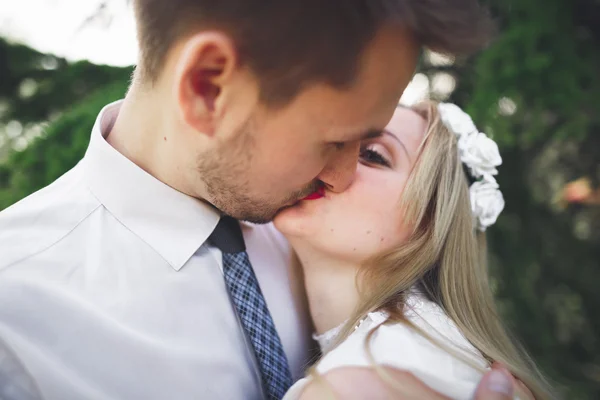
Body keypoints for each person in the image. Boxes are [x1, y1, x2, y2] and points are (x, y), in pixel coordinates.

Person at [0, 0, 524, 399]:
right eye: (335, 140)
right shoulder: (17, 319)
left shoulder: (329, 232)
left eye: (370, 148)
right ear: (208, 88)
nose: (340, 177)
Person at [275, 102, 555, 399]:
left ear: (430, 222)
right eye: (334, 140)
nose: (332, 159)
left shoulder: (369, 384)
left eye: (372, 155)